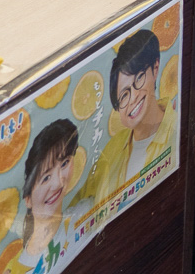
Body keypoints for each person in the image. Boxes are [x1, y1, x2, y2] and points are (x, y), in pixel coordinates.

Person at [72, 29, 175, 212]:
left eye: (139, 79)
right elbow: (76, 209)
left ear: (156, 68)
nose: (134, 97)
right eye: (124, 95)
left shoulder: (176, 128)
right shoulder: (113, 148)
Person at [4, 118, 78, 274]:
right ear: (28, 199)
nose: (58, 182)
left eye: (64, 163)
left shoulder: (84, 213)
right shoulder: (12, 269)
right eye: (45, 178)